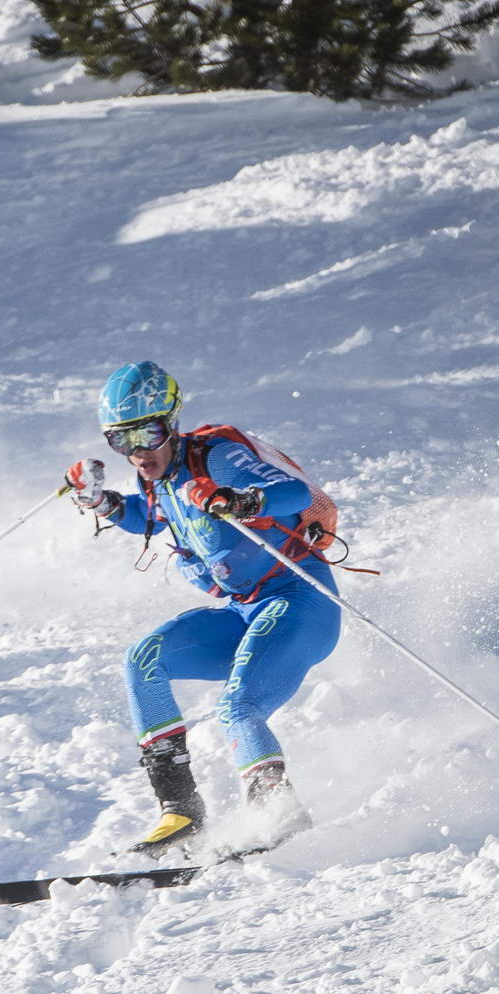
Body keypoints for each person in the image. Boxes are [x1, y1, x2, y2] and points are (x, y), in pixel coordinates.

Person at [64, 361, 343, 856]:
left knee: (238, 707)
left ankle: (279, 811)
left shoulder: (216, 458)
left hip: (299, 600)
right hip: (245, 611)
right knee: (143, 661)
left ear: (170, 422)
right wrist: (102, 502)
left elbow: (296, 493)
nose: (138, 452)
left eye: (147, 434)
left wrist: (239, 499)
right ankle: (181, 812)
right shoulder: (161, 476)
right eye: (120, 441)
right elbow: (143, 516)